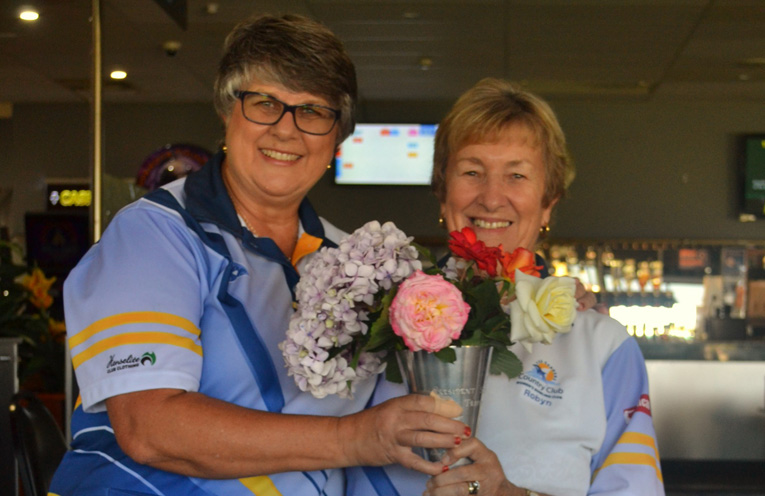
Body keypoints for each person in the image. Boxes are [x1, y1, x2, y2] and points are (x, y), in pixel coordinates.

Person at [49, 14, 470, 495]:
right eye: (266, 103)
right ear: (228, 112)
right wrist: (356, 437)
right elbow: (151, 429)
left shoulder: (356, 261)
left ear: (336, 138)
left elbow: (389, 436)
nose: (287, 130)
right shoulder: (154, 234)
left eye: (312, 111)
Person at [347, 78, 665, 495]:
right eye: (472, 172)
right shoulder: (374, 321)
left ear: (548, 200)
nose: (492, 198)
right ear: (443, 195)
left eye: (516, 175)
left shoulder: (603, 346)